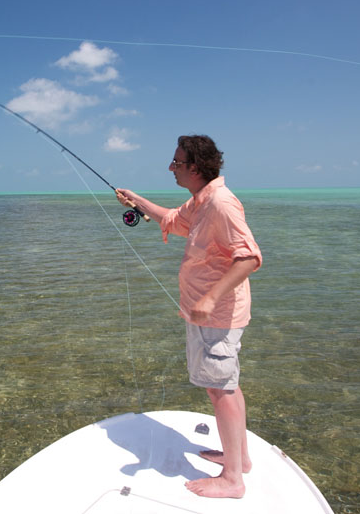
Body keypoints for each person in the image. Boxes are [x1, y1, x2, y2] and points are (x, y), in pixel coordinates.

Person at [115, 134, 262, 499]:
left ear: (195, 167)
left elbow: (250, 257)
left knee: (221, 389)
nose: (171, 168)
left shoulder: (222, 204)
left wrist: (211, 298)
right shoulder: (201, 201)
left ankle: (232, 481)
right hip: (206, 314)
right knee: (225, 386)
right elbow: (172, 220)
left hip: (218, 315)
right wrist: (137, 201)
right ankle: (238, 458)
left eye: (177, 163)